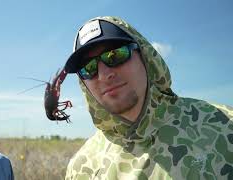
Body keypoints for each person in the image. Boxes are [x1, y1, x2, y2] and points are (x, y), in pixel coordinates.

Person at [63, 16, 233, 179]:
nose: (103, 75)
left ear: (145, 56)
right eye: (88, 68)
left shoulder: (225, 127)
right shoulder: (81, 168)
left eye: (115, 55)